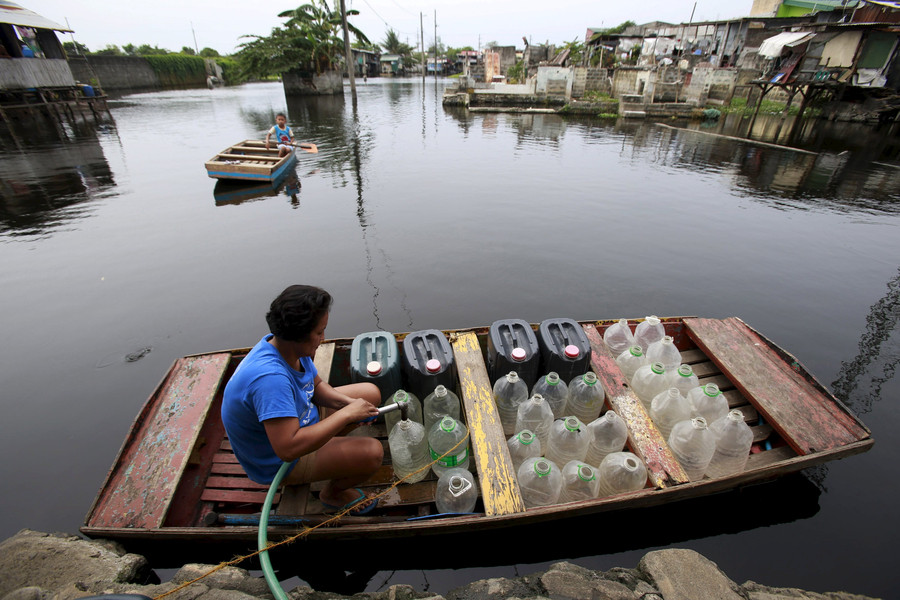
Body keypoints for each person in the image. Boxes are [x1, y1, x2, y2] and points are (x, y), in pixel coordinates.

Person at [222, 285, 383, 515]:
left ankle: (331, 448)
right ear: (297, 335)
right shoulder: (270, 380)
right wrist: (347, 415)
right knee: (373, 454)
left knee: (369, 394)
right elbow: (288, 449)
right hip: (279, 461)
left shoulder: (287, 347)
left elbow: (315, 385)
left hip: (299, 419)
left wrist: (347, 404)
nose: (323, 338)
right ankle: (333, 494)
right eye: (319, 332)